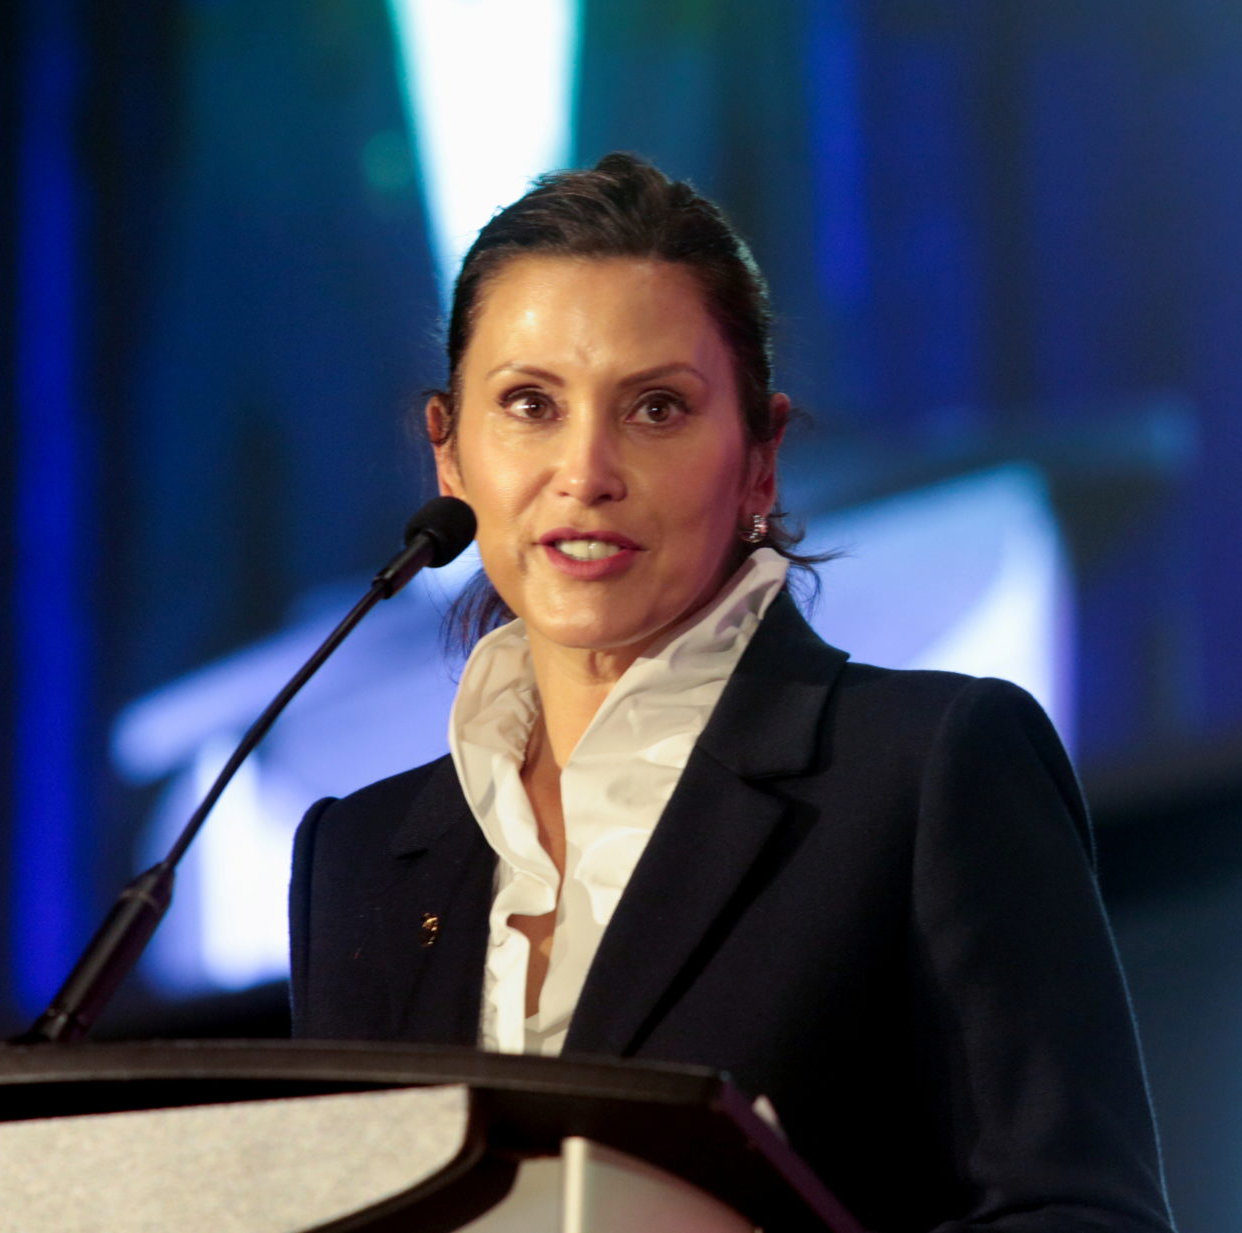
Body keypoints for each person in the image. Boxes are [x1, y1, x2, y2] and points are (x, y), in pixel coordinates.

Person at [288, 154, 1173, 1233]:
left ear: (761, 457)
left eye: (657, 408)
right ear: (450, 454)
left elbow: (1083, 1218)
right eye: (529, 404)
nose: (586, 470)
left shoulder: (930, 768)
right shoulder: (359, 858)